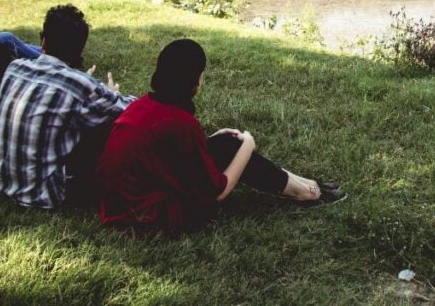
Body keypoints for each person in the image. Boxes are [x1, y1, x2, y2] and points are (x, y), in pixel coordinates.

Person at [96, 39, 345, 235]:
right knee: (236, 148)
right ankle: (308, 192)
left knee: (226, 144)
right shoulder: (180, 123)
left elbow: (168, 154)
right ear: (194, 82)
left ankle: (306, 184)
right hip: (148, 217)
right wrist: (248, 144)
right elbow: (218, 192)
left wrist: (219, 141)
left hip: (123, 205)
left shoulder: (143, 105)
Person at [0, 4, 136, 209]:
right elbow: (132, 108)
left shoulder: (15, 66)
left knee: (86, 113)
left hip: (2, 182)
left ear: (43, 40)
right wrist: (112, 93)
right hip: (43, 195)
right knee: (112, 121)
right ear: (81, 49)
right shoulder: (77, 82)